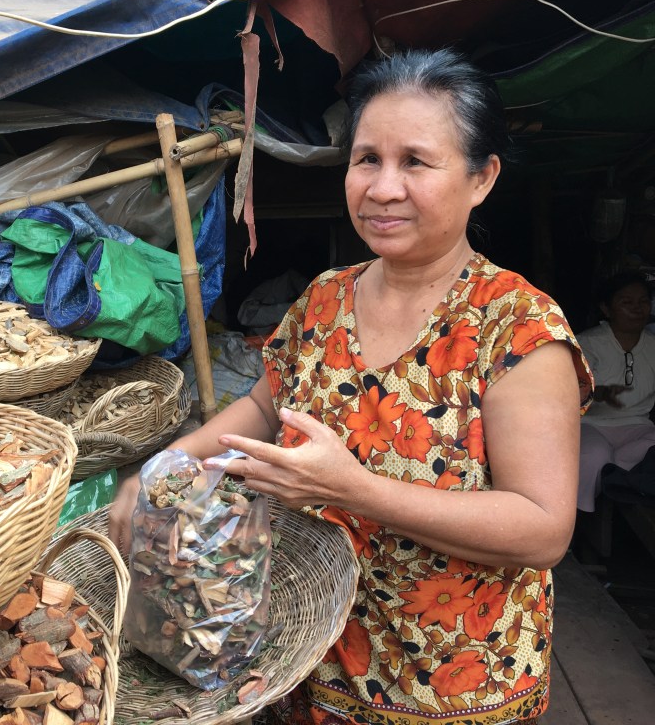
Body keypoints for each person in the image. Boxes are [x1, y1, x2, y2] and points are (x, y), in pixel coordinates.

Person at [109, 48, 592, 725]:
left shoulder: (515, 328)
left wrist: (353, 491)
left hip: (448, 685)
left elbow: (542, 530)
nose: (383, 187)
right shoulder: (325, 298)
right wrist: (167, 466)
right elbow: (261, 402)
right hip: (307, 658)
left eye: (415, 162)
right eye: (367, 159)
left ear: (481, 178)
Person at [576, 271, 655, 512]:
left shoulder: (652, 344)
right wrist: (598, 394)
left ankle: (615, 487)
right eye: (626, 302)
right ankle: (577, 520)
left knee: (643, 452)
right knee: (595, 456)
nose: (637, 308)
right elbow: (568, 390)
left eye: (643, 301)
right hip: (591, 424)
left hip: (639, 425)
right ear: (606, 309)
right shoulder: (588, 343)